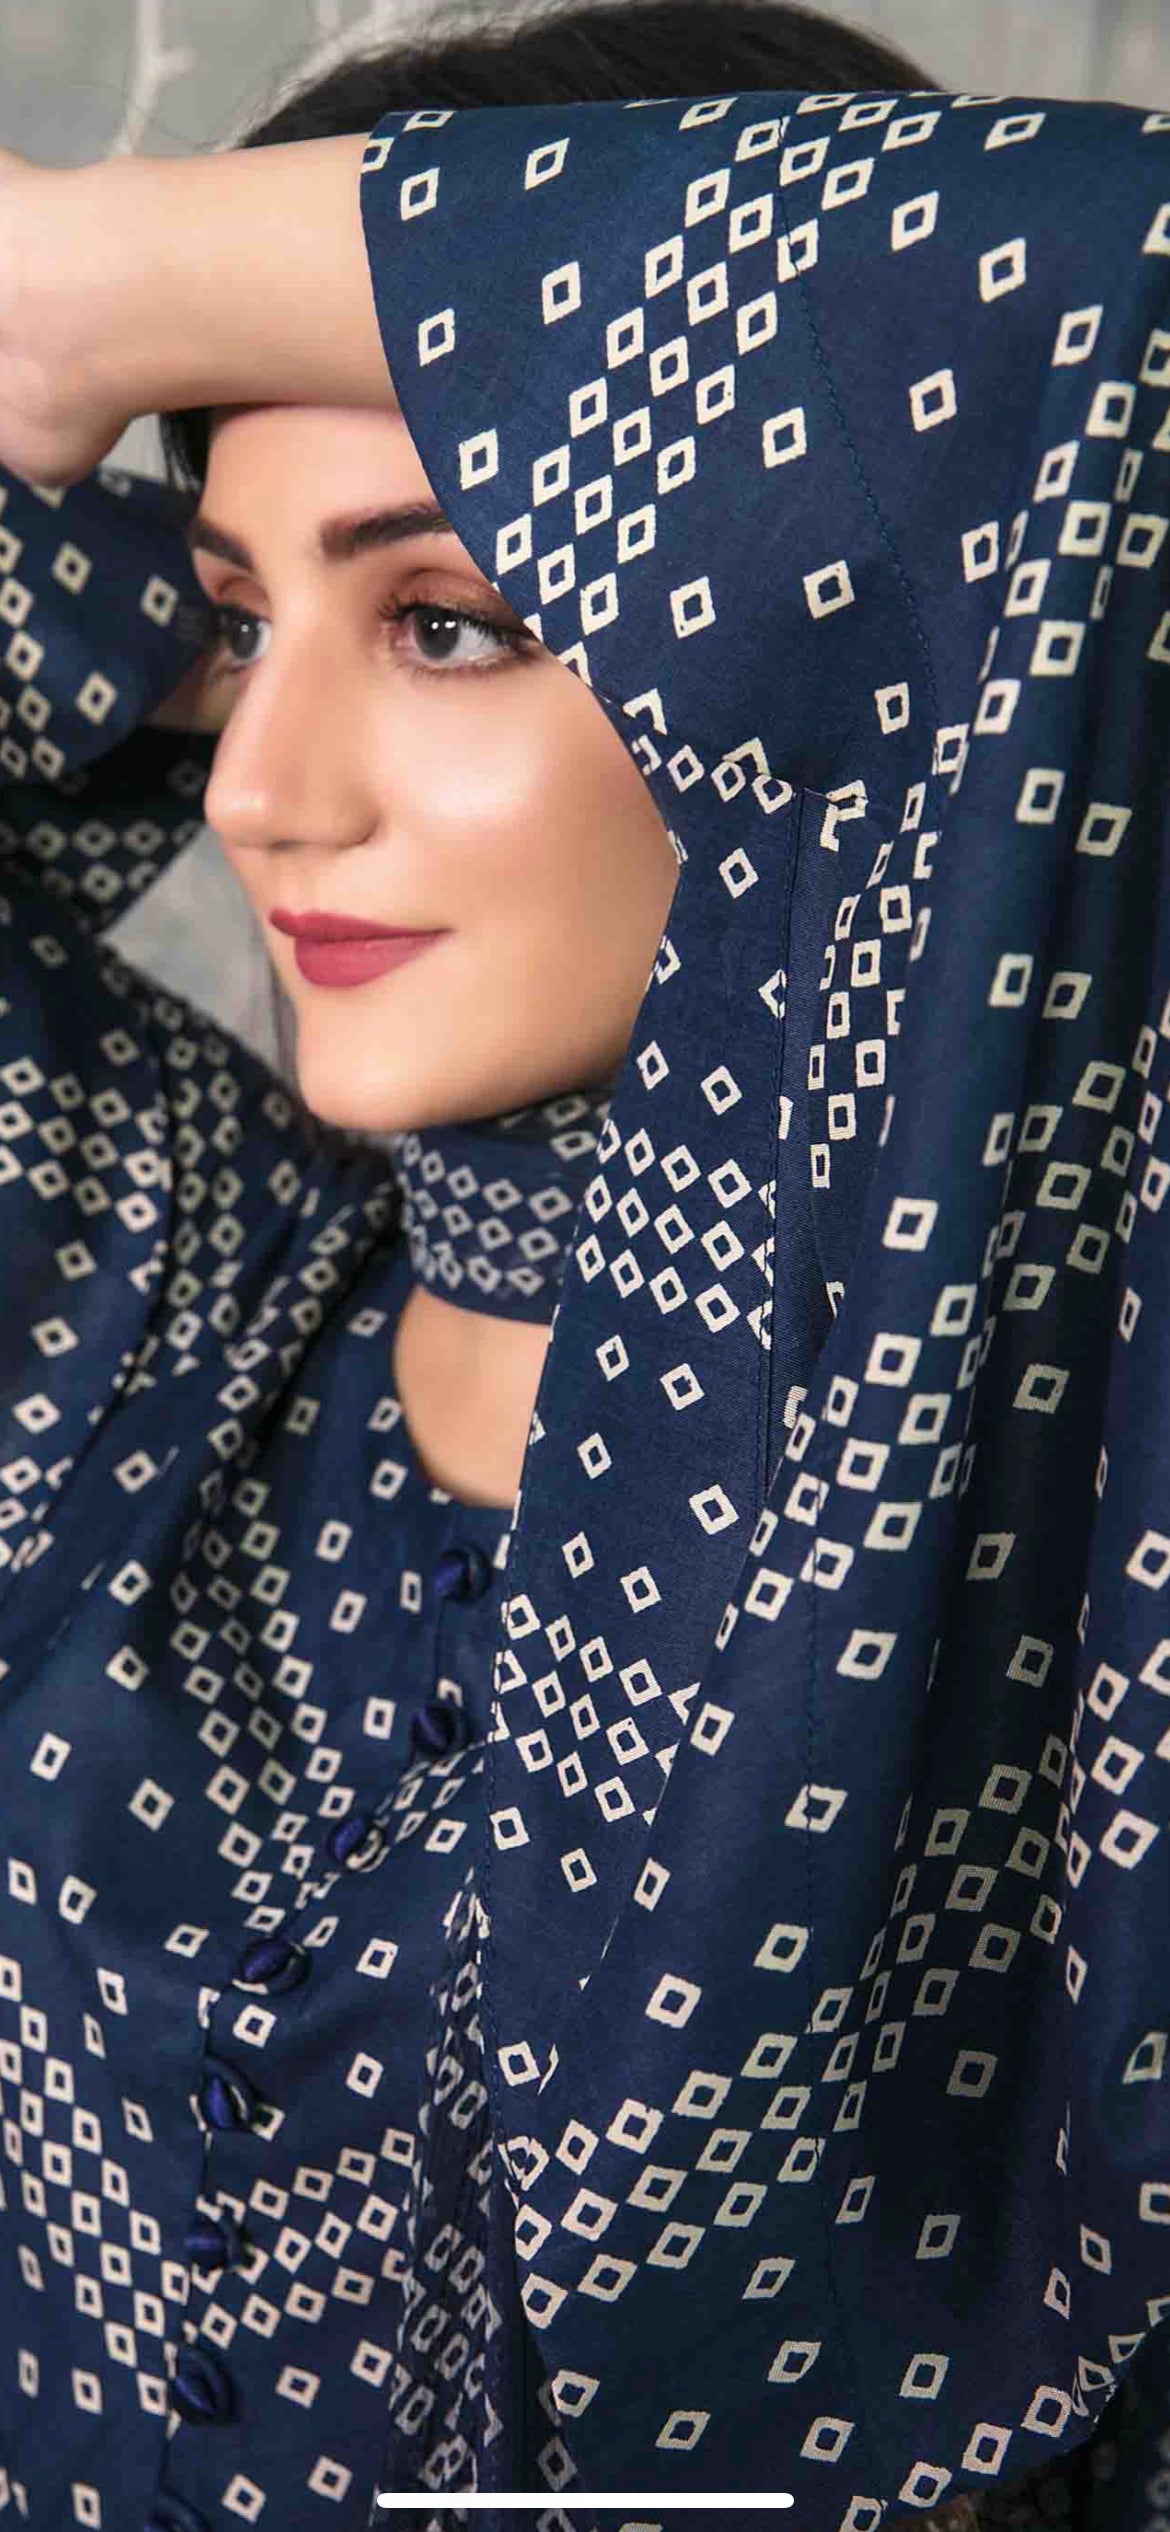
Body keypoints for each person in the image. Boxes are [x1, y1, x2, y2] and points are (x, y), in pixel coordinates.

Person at [0, 5, 1167, 2530]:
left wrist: (79, 281)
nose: (255, 788)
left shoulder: (1052, 1520)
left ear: (853, 647)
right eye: (237, 621)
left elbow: (1116, 296)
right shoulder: (140, 1309)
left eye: (445, 622)